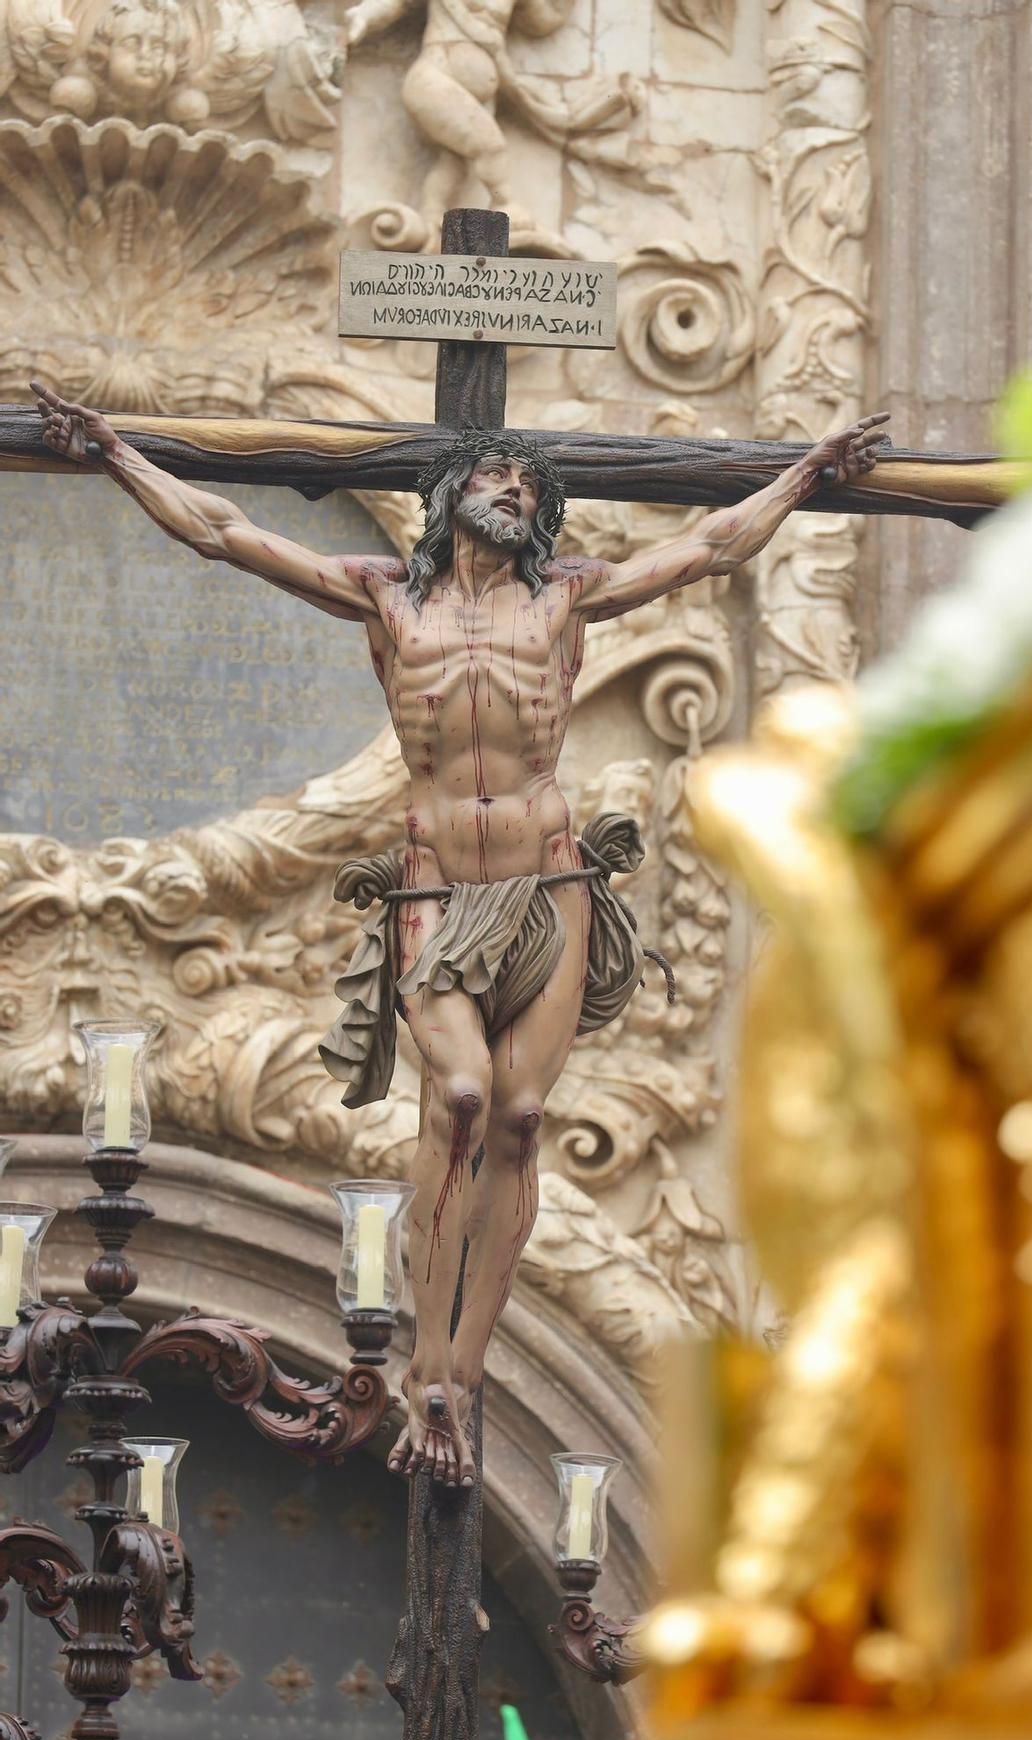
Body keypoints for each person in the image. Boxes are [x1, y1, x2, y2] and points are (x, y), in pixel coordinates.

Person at [31, 376, 888, 1486]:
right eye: (495, 473)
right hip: (435, 890)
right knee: (466, 1098)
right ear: (450, 495)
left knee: (521, 1118)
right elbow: (225, 531)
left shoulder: (566, 598)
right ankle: (422, 1355)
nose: (515, 490)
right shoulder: (386, 597)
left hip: (549, 884)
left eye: (529, 481)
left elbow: (711, 548)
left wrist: (807, 475)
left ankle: (457, 1373)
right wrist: (114, 454)